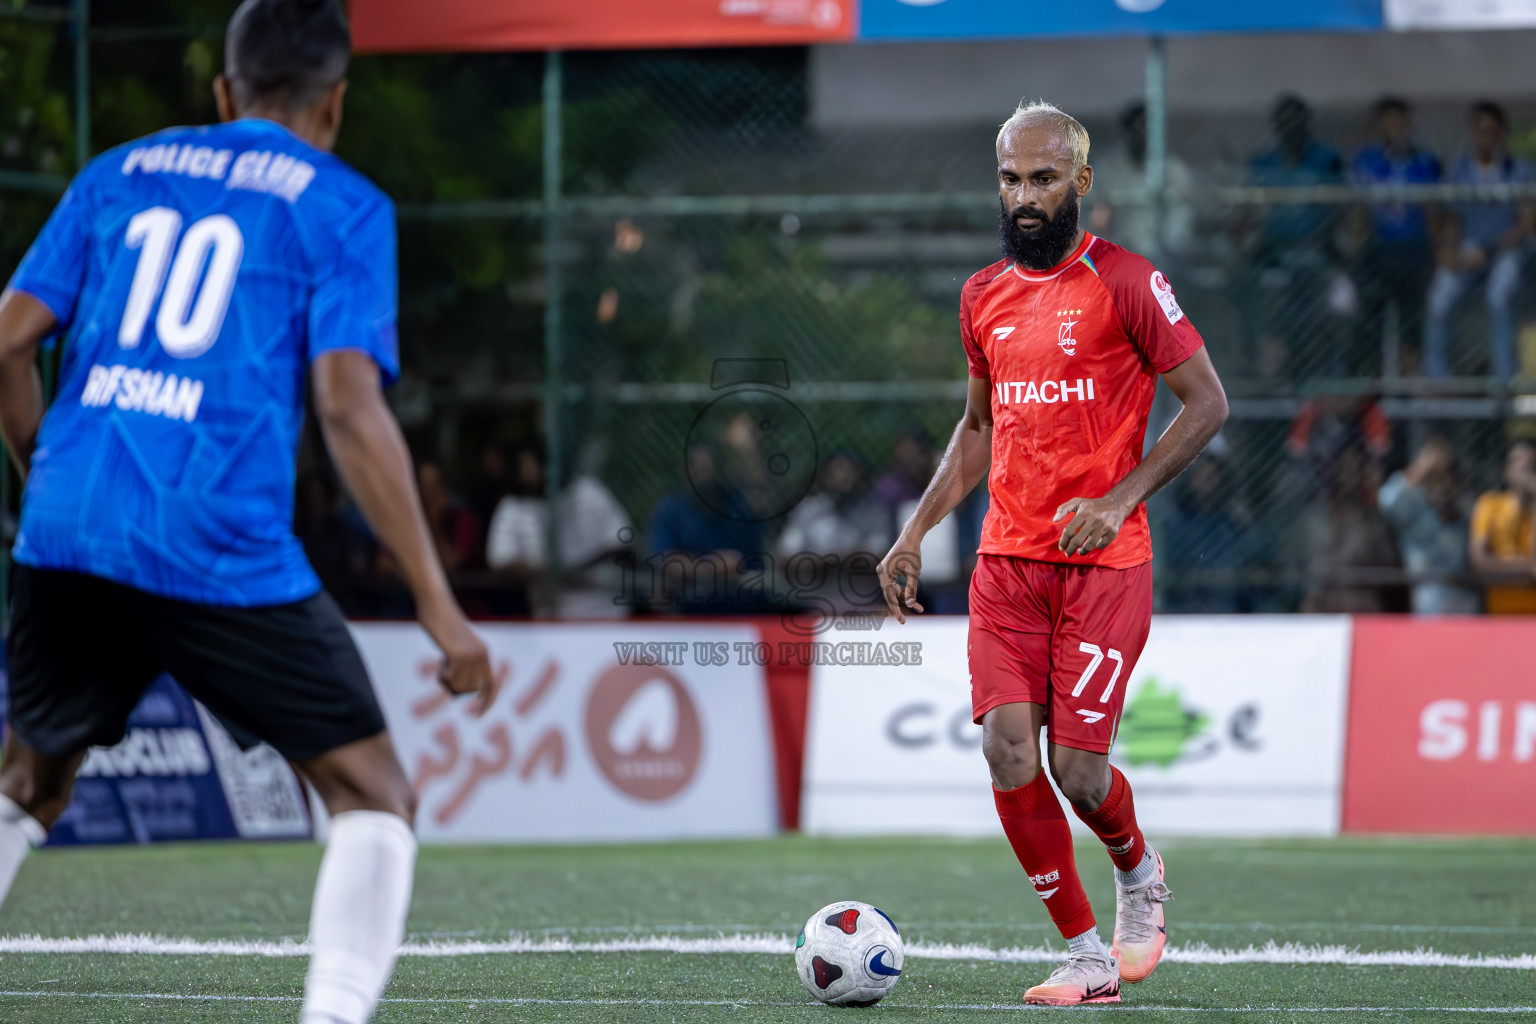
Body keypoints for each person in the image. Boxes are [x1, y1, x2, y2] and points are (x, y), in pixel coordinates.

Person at [0, 6, 498, 1024]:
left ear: (224, 92)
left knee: (27, 782)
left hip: (69, 520)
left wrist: (50, 475)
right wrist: (441, 608)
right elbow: (348, 406)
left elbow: (6, 343)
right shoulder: (342, 204)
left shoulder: (116, 172)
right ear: (337, 102)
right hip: (212, 538)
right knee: (372, 792)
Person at [877, 101, 1228, 1005]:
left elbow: (1207, 405)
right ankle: (1085, 958)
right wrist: (915, 531)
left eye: (1040, 179)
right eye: (1008, 179)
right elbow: (977, 429)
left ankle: (1139, 869)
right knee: (1005, 751)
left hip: (1105, 570)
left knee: (1079, 770)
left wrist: (1118, 500)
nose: (1023, 197)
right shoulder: (980, 296)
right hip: (1007, 565)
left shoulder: (1129, 283)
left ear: (1080, 182)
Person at [1426, 102, 1535, 378]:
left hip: (1504, 250)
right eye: (1480, 130)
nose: (1487, 136)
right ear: (1472, 133)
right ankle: (1438, 378)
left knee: (1499, 296)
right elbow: (1452, 219)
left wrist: (1489, 250)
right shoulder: (1460, 170)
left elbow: (1526, 222)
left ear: (1502, 133)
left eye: (1493, 130)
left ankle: (1505, 377)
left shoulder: (1517, 170)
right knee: (1440, 298)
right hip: (1468, 248)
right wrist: (1450, 253)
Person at [1246, 95, 1346, 377]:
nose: (1291, 129)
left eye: (1297, 122)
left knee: (1332, 306)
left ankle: (1322, 370)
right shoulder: (1264, 164)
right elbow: (1251, 214)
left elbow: (1339, 209)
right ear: (1276, 127)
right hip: (1274, 252)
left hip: (1318, 250)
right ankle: (1270, 372)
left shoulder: (1326, 161)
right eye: (1284, 123)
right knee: (1261, 298)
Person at [1348, 98, 1441, 377]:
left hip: (1413, 250)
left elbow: (1433, 211)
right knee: (1370, 321)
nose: (1395, 128)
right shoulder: (1367, 160)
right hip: (1379, 250)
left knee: (1411, 325)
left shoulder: (1424, 161)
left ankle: (1409, 391)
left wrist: (1436, 253)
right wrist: (1355, 245)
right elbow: (1359, 210)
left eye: (1400, 121)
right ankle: (1371, 386)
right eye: (1389, 121)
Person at [1378, 436, 1478, 614]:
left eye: (1445, 473)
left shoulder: (1462, 506)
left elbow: (1472, 509)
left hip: (1464, 590)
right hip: (1427, 590)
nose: (1439, 481)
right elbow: (1386, 500)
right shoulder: (1414, 508)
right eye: (1433, 476)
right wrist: (1421, 469)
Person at [1468, 440, 1536, 613]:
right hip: (1500, 613)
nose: (1524, 467)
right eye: (1518, 460)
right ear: (1506, 469)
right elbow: (1480, 560)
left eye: (1531, 463)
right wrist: (1527, 568)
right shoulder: (1490, 503)